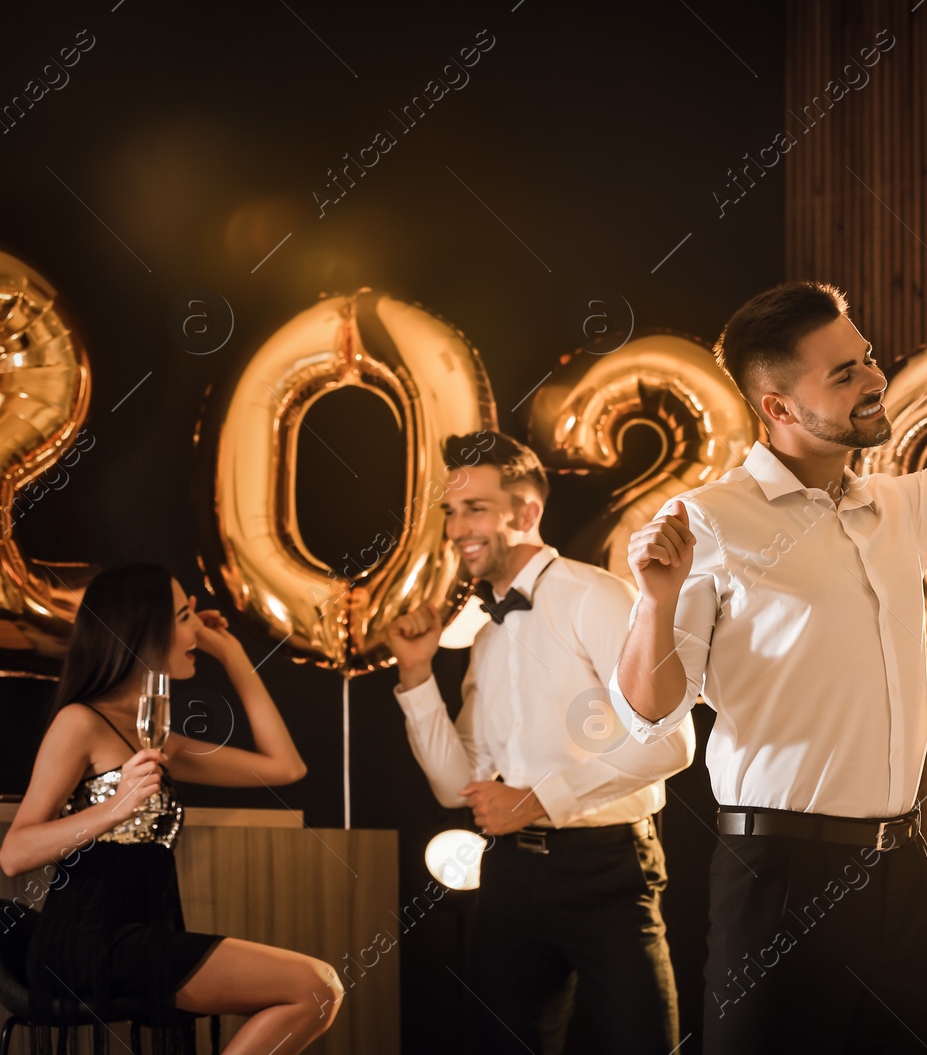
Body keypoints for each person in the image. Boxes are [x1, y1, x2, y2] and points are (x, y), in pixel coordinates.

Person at [611, 213, 927, 1054]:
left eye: (867, 358)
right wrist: (654, 600)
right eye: (846, 372)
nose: (876, 379)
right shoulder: (706, 522)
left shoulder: (896, 506)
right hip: (776, 876)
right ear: (778, 406)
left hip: (901, 869)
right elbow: (649, 712)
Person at [384, 430, 694, 1055]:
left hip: (607, 871)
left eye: (475, 509)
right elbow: (456, 784)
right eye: (451, 512)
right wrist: (416, 675)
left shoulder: (599, 597)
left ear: (526, 513)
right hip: (508, 878)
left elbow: (672, 744)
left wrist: (540, 799)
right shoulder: (483, 631)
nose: (455, 529)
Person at [0, 564, 341, 1055]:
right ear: (144, 628)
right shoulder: (80, 722)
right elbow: (14, 854)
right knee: (315, 986)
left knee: (320, 987)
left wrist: (232, 652)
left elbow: (284, 768)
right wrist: (114, 809)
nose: (196, 630)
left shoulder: (160, 741)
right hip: (89, 943)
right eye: (184, 617)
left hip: (144, 937)